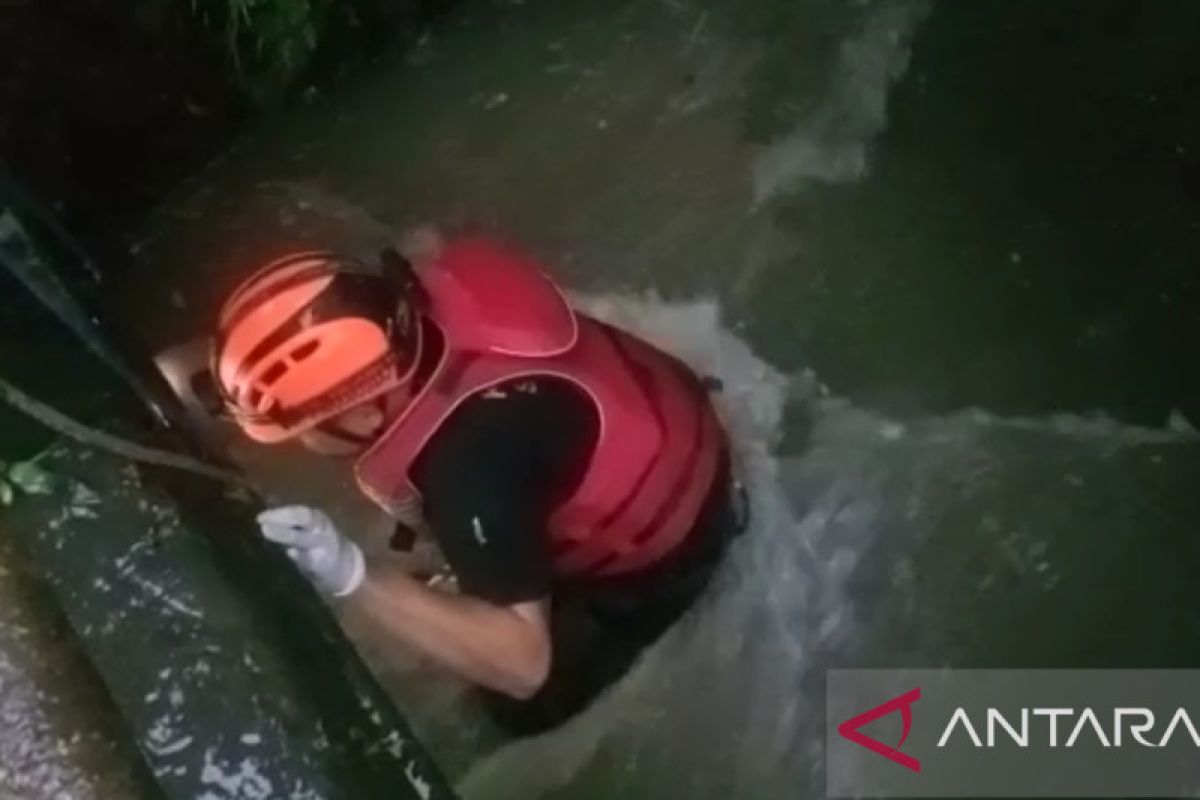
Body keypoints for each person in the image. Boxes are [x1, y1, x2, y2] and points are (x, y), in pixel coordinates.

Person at [210, 231, 744, 734]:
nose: (303, 442)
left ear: (364, 417)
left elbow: (524, 665)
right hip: (685, 425)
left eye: (301, 428)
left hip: (673, 553)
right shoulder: (450, 282)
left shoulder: (465, 471)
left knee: (513, 707)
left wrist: (354, 574)